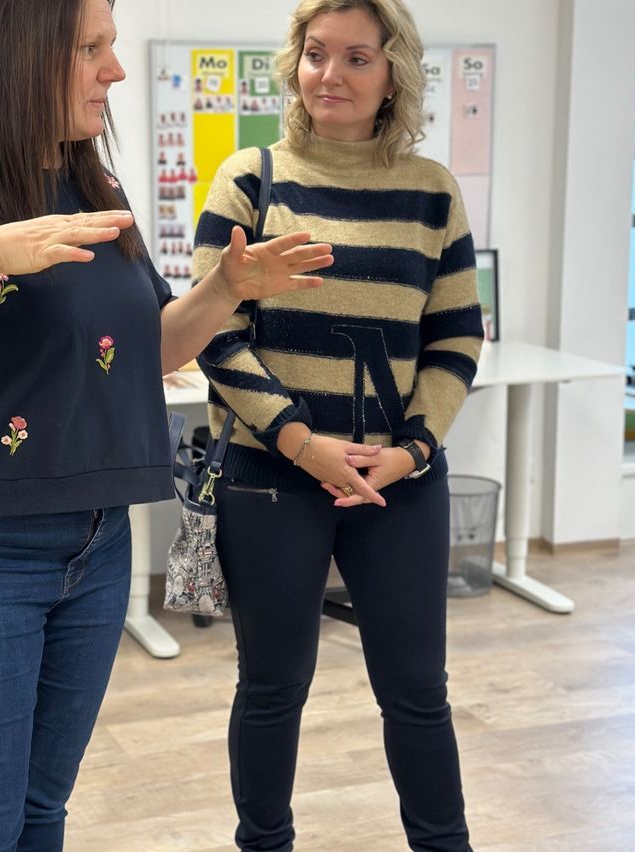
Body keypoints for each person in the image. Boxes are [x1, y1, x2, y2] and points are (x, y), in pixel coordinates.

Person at [0, 1, 335, 849]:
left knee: (43, 811)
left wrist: (225, 291)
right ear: (23, 54)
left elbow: (140, 346)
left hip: (95, 548)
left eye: (111, 46)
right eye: (92, 49)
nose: (114, 71)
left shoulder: (92, 181)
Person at [192, 1, 483, 849]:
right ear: (295, 63)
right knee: (273, 687)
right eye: (317, 55)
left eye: (358, 58)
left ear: (395, 71)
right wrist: (300, 442)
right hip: (274, 475)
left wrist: (413, 450)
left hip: (396, 481)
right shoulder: (251, 178)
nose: (332, 76)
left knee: (418, 691)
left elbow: (457, 336)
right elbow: (214, 331)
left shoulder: (432, 192)